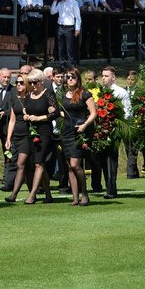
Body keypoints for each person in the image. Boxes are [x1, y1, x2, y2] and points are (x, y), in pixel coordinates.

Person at [5, 69, 58, 204]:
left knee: (38, 163)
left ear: (41, 82)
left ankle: (32, 194)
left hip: (44, 132)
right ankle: (48, 194)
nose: (33, 85)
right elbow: (25, 112)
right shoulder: (29, 96)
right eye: (31, 82)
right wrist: (26, 116)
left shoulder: (48, 94)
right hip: (31, 131)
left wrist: (39, 118)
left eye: (35, 82)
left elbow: (55, 113)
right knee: (39, 164)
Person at [58, 68, 98, 206]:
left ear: (78, 78)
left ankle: (85, 194)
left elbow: (93, 113)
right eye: (68, 77)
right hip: (66, 132)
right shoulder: (64, 94)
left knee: (76, 165)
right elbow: (66, 112)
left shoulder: (85, 93)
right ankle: (75, 198)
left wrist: (85, 125)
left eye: (73, 77)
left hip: (79, 131)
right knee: (69, 166)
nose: (70, 79)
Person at [99, 65, 131, 199]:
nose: (103, 79)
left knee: (111, 159)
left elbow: (128, 112)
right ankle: (109, 186)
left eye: (106, 76)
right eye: (103, 76)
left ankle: (111, 188)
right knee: (102, 159)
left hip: (114, 129)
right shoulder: (100, 92)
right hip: (101, 129)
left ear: (114, 78)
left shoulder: (120, 92)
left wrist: (117, 124)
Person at [51, 0, 82, 66]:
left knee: (70, 47)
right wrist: (55, 1)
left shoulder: (74, 3)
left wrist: (77, 29)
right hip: (60, 26)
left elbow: (78, 17)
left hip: (69, 27)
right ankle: (62, 63)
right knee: (60, 46)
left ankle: (72, 63)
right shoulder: (60, 3)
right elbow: (53, 12)